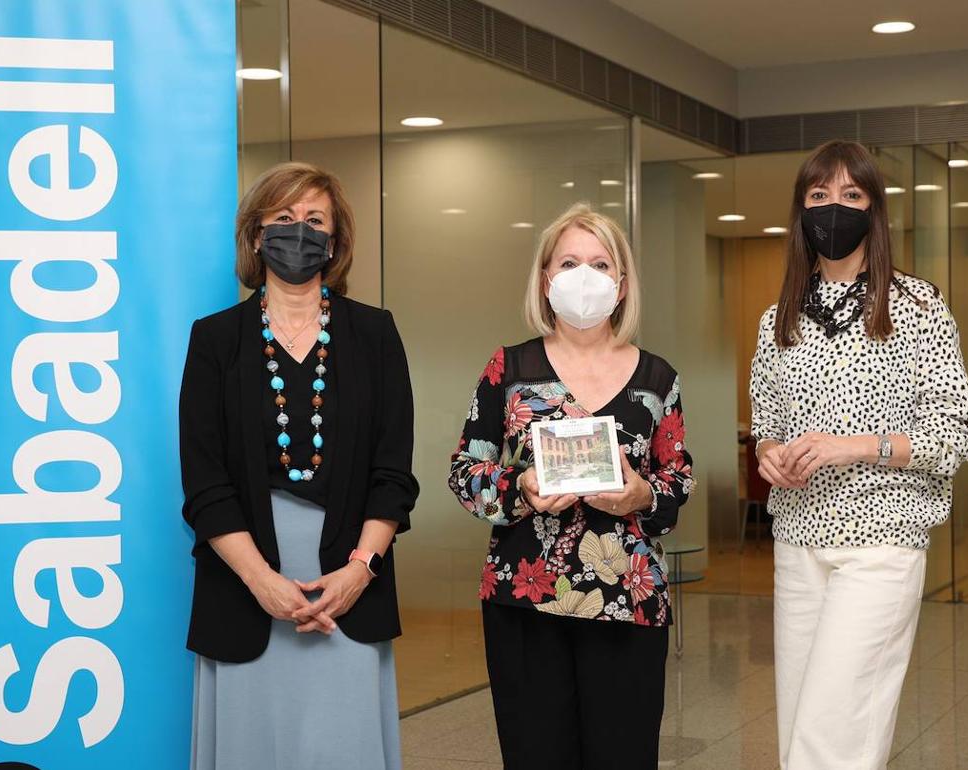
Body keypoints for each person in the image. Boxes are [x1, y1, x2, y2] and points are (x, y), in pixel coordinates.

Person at [750, 140, 968, 769]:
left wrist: (855, 446)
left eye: (851, 195)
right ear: (801, 213)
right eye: (818, 196)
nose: (834, 209)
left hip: (882, 539)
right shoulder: (778, 320)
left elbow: (960, 429)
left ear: (874, 210)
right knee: (799, 722)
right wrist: (770, 455)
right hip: (798, 541)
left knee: (835, 727)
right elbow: (767, 427)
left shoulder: (917, 307)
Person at [179, 161, 418, 770]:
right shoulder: (215, 340)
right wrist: (262, 581)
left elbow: (393, 476)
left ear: (334, 243)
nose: (299, 232)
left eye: (315, 220)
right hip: (245, 585)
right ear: (257, 235)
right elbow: (204, 483)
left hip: (349, 585)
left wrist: (358, 572)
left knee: (343, 747)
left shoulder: (375, 334)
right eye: (283, 218)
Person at [447, 203, 695, 770]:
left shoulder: (658, 378)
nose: (585, 276)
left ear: (623, 283)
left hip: (627, 603)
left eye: (601, 264)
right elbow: (465, 469)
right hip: (525, 602)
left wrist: (643, 497)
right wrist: (520, 489)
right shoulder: (507, 369)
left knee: (624, 755)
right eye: (570, 262)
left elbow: (677, 480)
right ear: (545, 278)